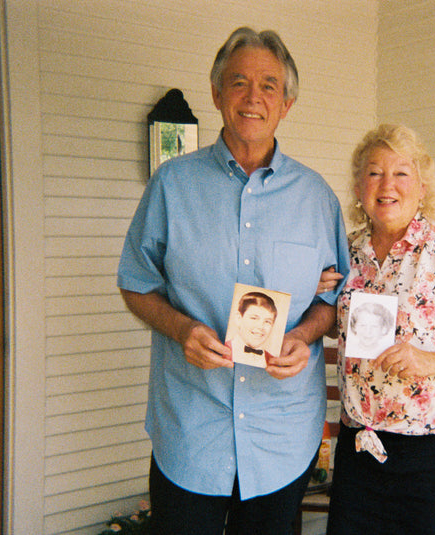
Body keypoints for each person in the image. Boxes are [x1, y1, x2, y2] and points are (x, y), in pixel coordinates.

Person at [117, 26, 349, 535]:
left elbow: (333, 299)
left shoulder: (316, 198)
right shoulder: (171, 185)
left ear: (286, 104)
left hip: (281, 436)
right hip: (191, 431)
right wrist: (181, 329)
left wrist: (304, 334)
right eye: (238, 82)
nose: (252, 97)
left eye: (269, 86)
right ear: (217, 94)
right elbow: (135, 281)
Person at [325, 124, 435, 535]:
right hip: (361, 449)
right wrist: (317, 291)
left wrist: (432, 361)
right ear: (358, 187)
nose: (386, 185)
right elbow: (332, 326)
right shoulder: (346, 250)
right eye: (374, 173)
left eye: (401, 173)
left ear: (423, 187)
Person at [226, 291, 278, 368]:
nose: (260, 326)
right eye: (254, 318)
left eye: (267, 321)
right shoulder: (221, 349)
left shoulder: (273, 361)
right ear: (239, 318)